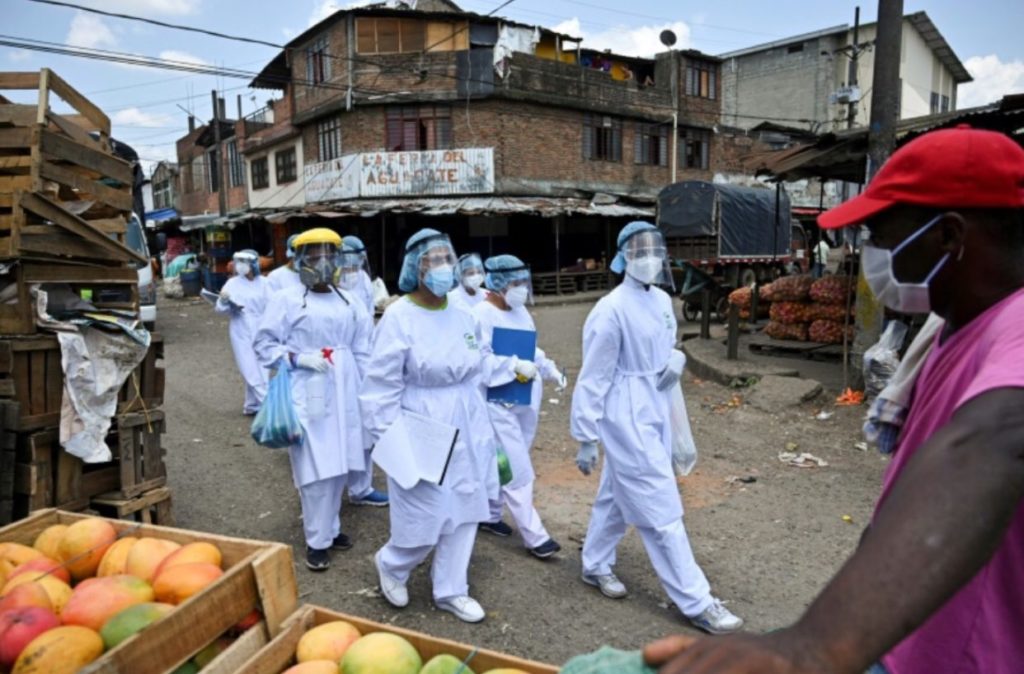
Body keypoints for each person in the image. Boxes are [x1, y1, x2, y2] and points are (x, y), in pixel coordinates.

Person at [644, 126, 1024, 674]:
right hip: (904, 644)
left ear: (948, 235)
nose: (870, 256)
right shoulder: (950, 327)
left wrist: (814, 647)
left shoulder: (1016, 326)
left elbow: (992, 440)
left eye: (881, 236)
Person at [570, 221, 743, 635]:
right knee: (660, 505)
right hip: (625, 413)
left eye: (654, 249)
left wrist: (678, 358)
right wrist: (586, 434)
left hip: (658, 403)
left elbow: (667, 346)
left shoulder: (663, 300)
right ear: (622, 257)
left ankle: (595, 563)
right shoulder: (610, 310)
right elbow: (594, 376)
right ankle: (696, 601)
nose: (649, 258)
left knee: (616, 495)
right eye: (639, 250)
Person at [359, 228, 493, 623]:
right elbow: (380, 386)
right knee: (426, 509)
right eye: (433, 261)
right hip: (420, 419)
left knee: (466, 504)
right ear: (415, 269)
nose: (443, 267)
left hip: (465, 415)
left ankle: (451, 589)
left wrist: (484, 426)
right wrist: (389, 439)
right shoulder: (399, 317)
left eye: (447, 258)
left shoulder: (464, 312)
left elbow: (477, 366)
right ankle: (393, 563)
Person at [253, 228, 373, 571]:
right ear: (301, 260)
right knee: (315, 467)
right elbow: (264, 344)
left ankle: (331, 529)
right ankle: (316, 541)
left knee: (341, 463)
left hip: (345, 388)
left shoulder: (349, 301)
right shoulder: (287, 300)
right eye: (315, 256)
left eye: (329, 255)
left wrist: (368, 392)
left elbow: (364, 348)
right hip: (308, 389)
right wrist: (295, 358)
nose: (323, 263)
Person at [473, 254, 567, 559]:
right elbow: (479, 360)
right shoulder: (481, 315)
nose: (522, 289)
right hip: (497, 400)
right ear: (498, 284)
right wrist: (512, 366)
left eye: (524, 282)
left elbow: (531, 347)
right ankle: (535, 536)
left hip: (523, 398)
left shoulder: (520, 311)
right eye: (515, 283)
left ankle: (489, 514)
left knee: (506, 460)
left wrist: (549, 368)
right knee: (517, 467)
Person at [338, 234, 389, 508]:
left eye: (355, 261)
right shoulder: (327, 286)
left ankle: (361, 487)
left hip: (365, 360)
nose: (351, 268)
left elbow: (368, 321)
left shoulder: (364, 281)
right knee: (335, 426)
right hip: (337, 364)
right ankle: (331, 484)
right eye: (346, 261)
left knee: (365, 428)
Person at [215, 249, 270, 415]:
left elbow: (274, 305)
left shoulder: (265, 283)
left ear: (254, 264)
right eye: (238, 262)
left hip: (261, 326)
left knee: (262, 366)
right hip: (240, 326)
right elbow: (220, 309)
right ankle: (269, 405)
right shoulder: (232, 284)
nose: (240, 266)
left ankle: (252, 405)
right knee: (248, 366)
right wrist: (224, 301)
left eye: (244, 262)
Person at [337, 235, 376, 316]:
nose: (350, 273)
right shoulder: (334, 280)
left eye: (354, 269)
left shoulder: (364, 278)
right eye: (346, 269)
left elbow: (370, 308)